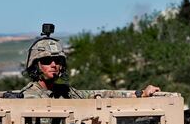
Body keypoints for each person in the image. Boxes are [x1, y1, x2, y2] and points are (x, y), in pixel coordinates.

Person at [20, 30, 160, 99]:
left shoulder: (66, 92)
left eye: (58, 61)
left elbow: (101, 95)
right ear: (36, 66)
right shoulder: (27, 97)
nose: (53, 64)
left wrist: (141, 94)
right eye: (46, 61)